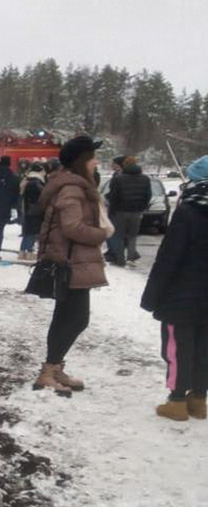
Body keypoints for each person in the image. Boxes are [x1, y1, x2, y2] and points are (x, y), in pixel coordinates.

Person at [33, 136, 113, 395]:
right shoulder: (72, 189)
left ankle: (53, 368)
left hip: (73, 262)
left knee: (69, 317)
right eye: (93, 157)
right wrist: (101, 234)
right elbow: (72, 227)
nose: (96, 162)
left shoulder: (74, 186)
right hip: (70, 263)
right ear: (82, 161)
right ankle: (48, 371)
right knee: (75, 318)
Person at [142, 155, 208, 421]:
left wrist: (152, 296)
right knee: (204, 347)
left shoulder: (189, 211)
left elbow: (169, 257)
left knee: (177, 347)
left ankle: (177, 400)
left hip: (181, 296)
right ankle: (199, 399)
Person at [105, 156, 152, 266]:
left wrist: (113, 209)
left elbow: (113, 196)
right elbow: (148, 195)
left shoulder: (119, 179)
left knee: (120, 235)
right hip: (136, 211)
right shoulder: (145, 179)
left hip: (121, 211)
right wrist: (142, 207)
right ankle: (131, 257)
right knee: (132, 235)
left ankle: (120, 259)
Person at [19, 162, 46, 260]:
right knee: (32, 232)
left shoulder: (28, 180)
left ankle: (22, 251)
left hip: (28, 210)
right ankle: (29, 252)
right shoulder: (36, 182)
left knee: (27, 232)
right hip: (34, 211)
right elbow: (42, 196)